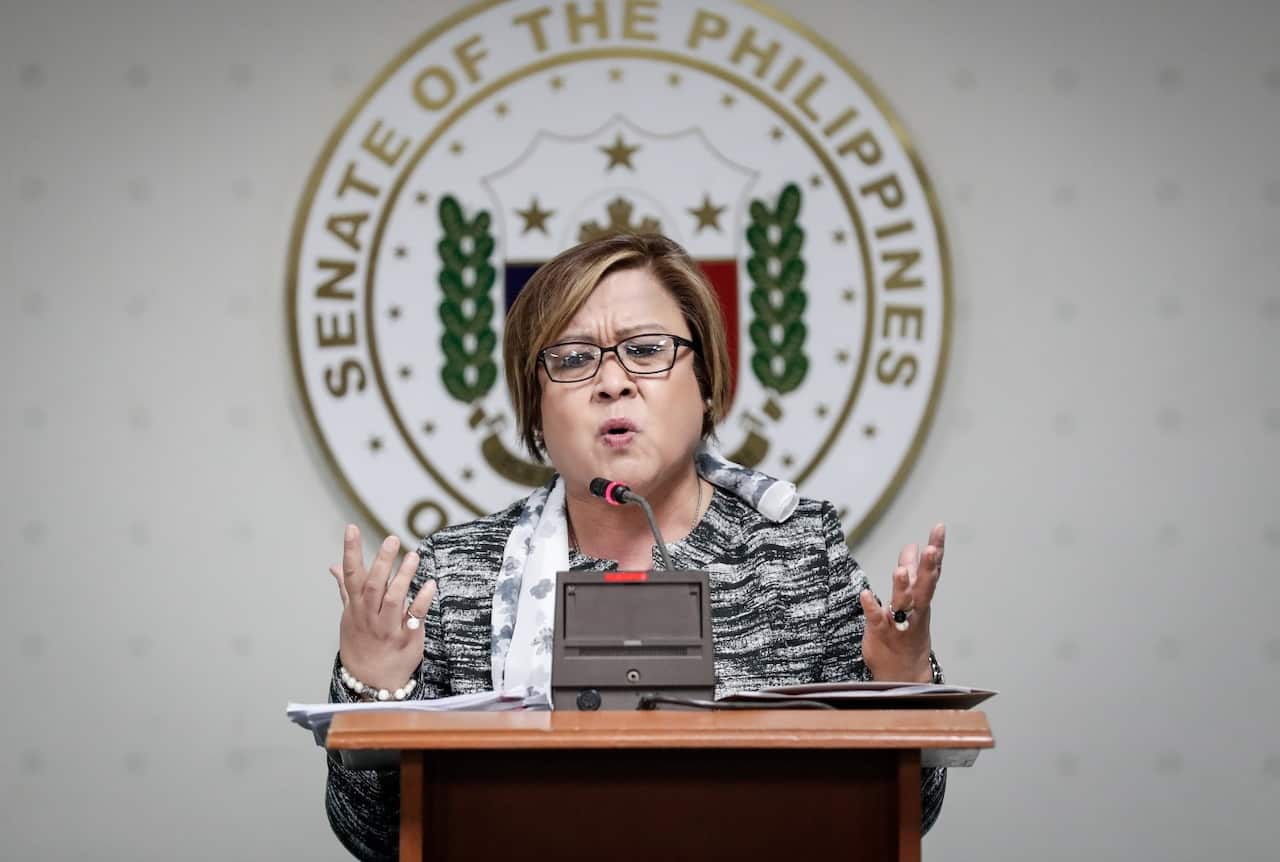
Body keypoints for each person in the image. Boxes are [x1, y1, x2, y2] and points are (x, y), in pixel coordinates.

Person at [323, 233, 949, 861]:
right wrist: (372, 687)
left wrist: (904, 685)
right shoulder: (457, 574)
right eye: (573, 359)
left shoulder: (798, 552)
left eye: (646, 350)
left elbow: (902, 815)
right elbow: (376, 837)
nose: (612, 383)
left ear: (706, 385)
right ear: (535, 409)